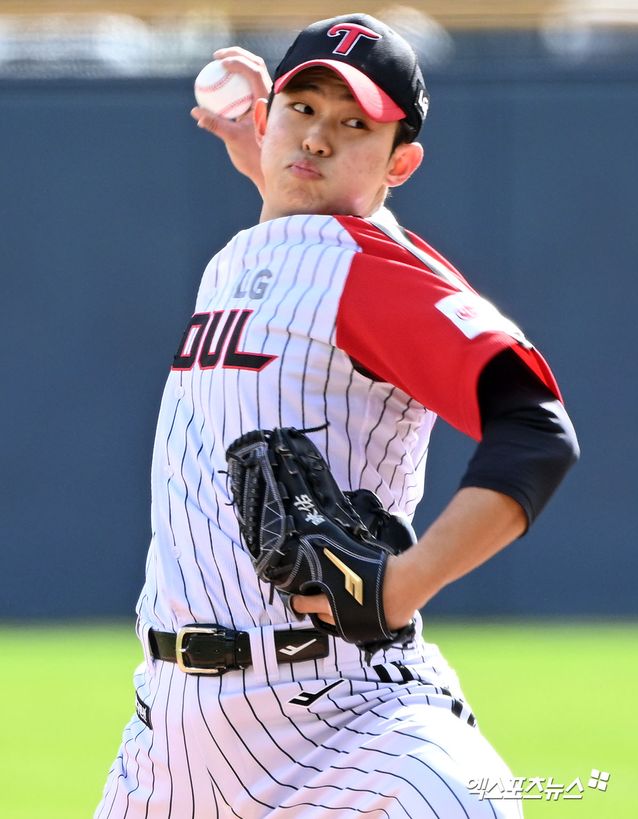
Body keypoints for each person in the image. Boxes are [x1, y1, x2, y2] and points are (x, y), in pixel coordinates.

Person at [95, 13, 579, 818]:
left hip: (344, 716)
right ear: (268, 116)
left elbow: (535, 428)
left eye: (355, 124)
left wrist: (406, 582)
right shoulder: (257, 249)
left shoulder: (372, 273)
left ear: (402, 162)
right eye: (303, 108)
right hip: (169, 738)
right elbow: (302, 233)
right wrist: (268, 157)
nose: (317, 138)